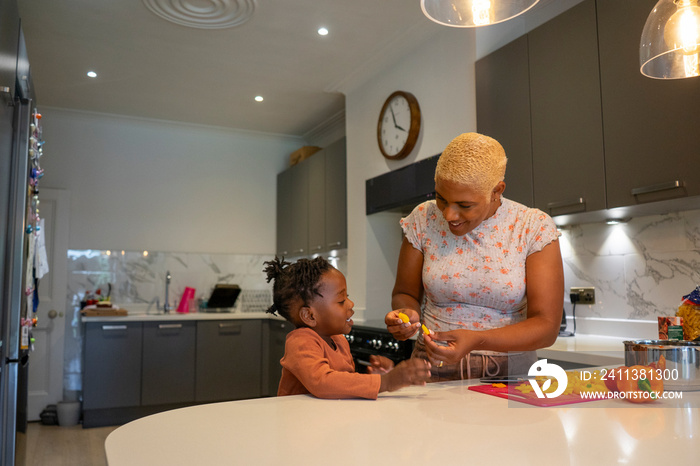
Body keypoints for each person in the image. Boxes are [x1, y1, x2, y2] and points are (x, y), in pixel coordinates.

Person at [384, 132, 564, 380]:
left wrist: (478, 339)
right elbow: (405, 293)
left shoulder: (532, 226)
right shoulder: (422, 219)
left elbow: (546, 327)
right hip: (430, 368)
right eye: (441, 198)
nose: (448, 215)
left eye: (464, 205)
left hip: (509, 374)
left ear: (496, 191)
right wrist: (407, 315)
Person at [264, 256, 431, 399]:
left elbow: (342, 384)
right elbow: (323, 383)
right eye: (341, 301)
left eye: (347, 297)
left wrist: (379, 377)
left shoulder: (339, 341)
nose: (351, 304)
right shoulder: (300, 342)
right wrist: (385, 382)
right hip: (302, 427)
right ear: (310, 316)